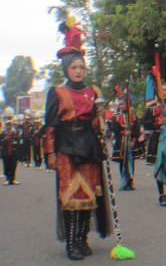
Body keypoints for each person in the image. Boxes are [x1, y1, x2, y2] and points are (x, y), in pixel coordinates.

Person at [44, 40, 112, 260]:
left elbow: (94, 124)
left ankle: (83, 239)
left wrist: (99, 119)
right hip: (66, 147)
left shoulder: (93, 92)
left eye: (81, 67)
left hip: (89, 145)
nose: (78, 71)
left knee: (89, 195)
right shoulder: (57, 92)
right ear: (66, 69)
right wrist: (50, 153)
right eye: (73, 67)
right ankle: (71, 243)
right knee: (71, 196)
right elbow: (51, 126)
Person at [109, 98, 143, 191]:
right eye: (120, 104)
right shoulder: (115, 117)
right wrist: (123, 132)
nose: (121, 106)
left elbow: (136, 130)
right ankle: (124, 182)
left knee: (131, 161)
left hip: (131, 142)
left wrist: (133, 140)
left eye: (123, 104)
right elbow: (114, 128)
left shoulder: (134, 117)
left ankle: (130, 182)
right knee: (122, 161)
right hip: (121, 142)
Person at [2, 119, 20, 185]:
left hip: (13, 151)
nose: (9, 127)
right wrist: (4, 139)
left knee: (13, 165)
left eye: (10, 125)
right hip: (5, 151)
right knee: (7, 165)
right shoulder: (3, 133)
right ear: (5, 126)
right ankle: (7, 179)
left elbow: (19, 141)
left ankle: (13, 179)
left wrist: (15, 142)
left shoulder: (14, 133)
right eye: (8, 125)